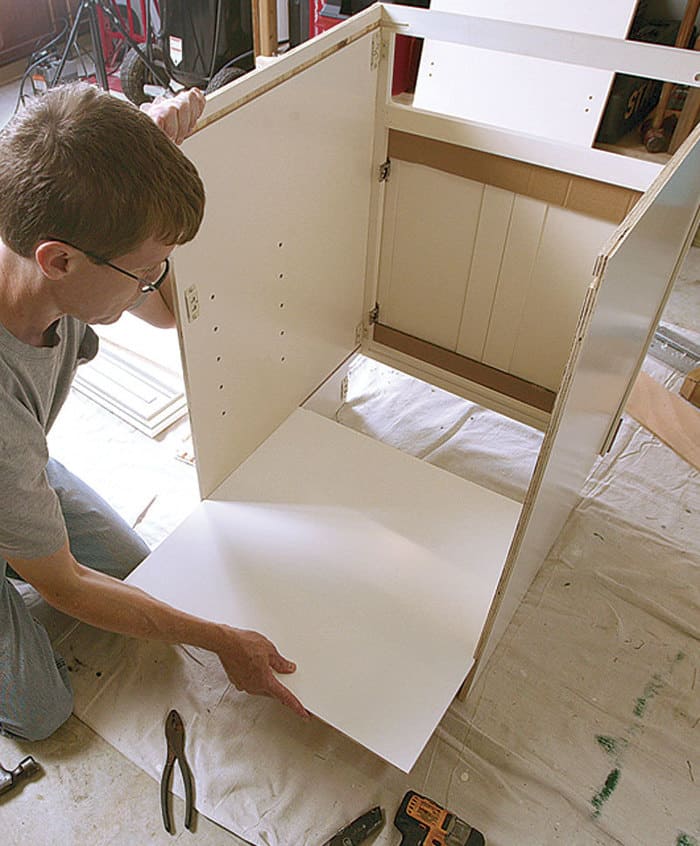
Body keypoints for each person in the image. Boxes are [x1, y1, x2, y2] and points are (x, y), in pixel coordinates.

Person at [0, 82, 308, 742]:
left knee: (136, 572)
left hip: (15, 463)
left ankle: (19, 521)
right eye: (143, 272)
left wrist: (146, 168)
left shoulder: (45, 234)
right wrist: (220, 639)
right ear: (59, 260)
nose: (151, 285)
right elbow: (68, 588)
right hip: (7, 456)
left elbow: (169, 313)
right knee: (41, 710)